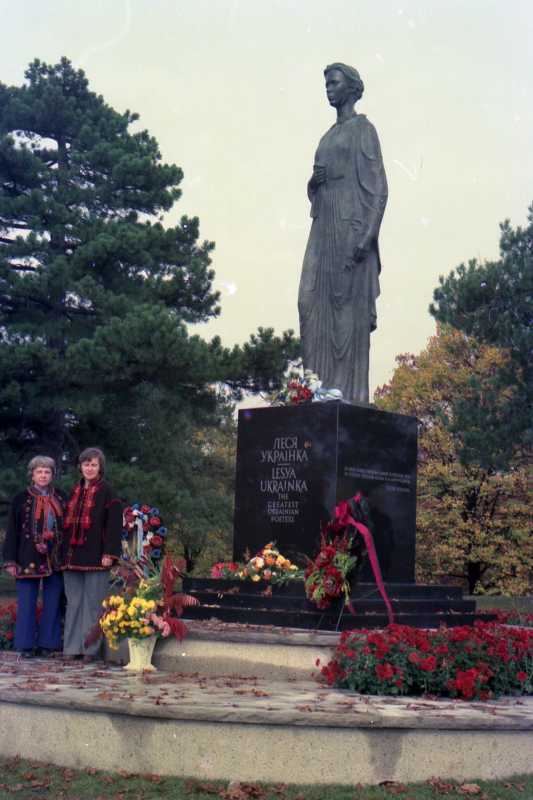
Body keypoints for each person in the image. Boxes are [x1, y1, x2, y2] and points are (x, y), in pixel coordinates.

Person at [298, 63, 388, 404]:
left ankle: (344, 391)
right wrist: (313, 183)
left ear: (351, 88)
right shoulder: (326, 136)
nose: (328, 88)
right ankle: (315, 388)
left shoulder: (363, 129)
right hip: (323, 229)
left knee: (344, 308)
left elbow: (379, 186)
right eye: (325, 83)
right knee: (308, 301)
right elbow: (316, 189)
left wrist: (368, 235)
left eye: (333, 82)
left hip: (350, 229)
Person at [61, 447, 122, 662]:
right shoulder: (73, 491)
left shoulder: (108, 492)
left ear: (100, 467)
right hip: (72, 556)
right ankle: (71, 648)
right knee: (74, 603)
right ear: (80, 467)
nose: (89, 468)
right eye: (86, 464)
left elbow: (114, 525)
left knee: (93, 603)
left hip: (97, 555)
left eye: (93, 464)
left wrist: (110, 553)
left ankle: (89, 649)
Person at [2, 456, 65, 658]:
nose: (43, 475)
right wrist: (10, 560)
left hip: (55, 557)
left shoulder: (62, 497)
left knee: (53, 601)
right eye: (39, 471)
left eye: (47, 472)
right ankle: (25, 646)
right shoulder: (21, 498)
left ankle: (48, 644)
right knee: (27, 602)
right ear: (32, 474)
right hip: (26, 556)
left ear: (52, 475)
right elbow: (12, 531)